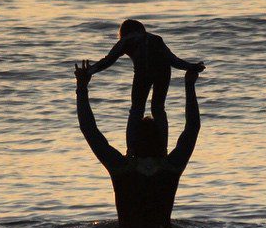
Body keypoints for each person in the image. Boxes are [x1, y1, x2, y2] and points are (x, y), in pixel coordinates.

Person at [75, 60, 202, 228]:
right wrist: (189, 84)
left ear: (132, 142)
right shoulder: (171, 168)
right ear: (161, 141)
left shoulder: (121, 168)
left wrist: (82, 87)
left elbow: (89, 129)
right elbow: (192, 127)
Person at [84, 19, 204, 152]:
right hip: (163, 70)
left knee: (136, 110)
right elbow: (173, 60)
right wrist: (192, 66)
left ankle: (131, 150)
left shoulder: (127, 40)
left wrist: (90, 71)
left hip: (143, 72)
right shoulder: (156, 39)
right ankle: (162, 148)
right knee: (158, 109)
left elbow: (108, 60)